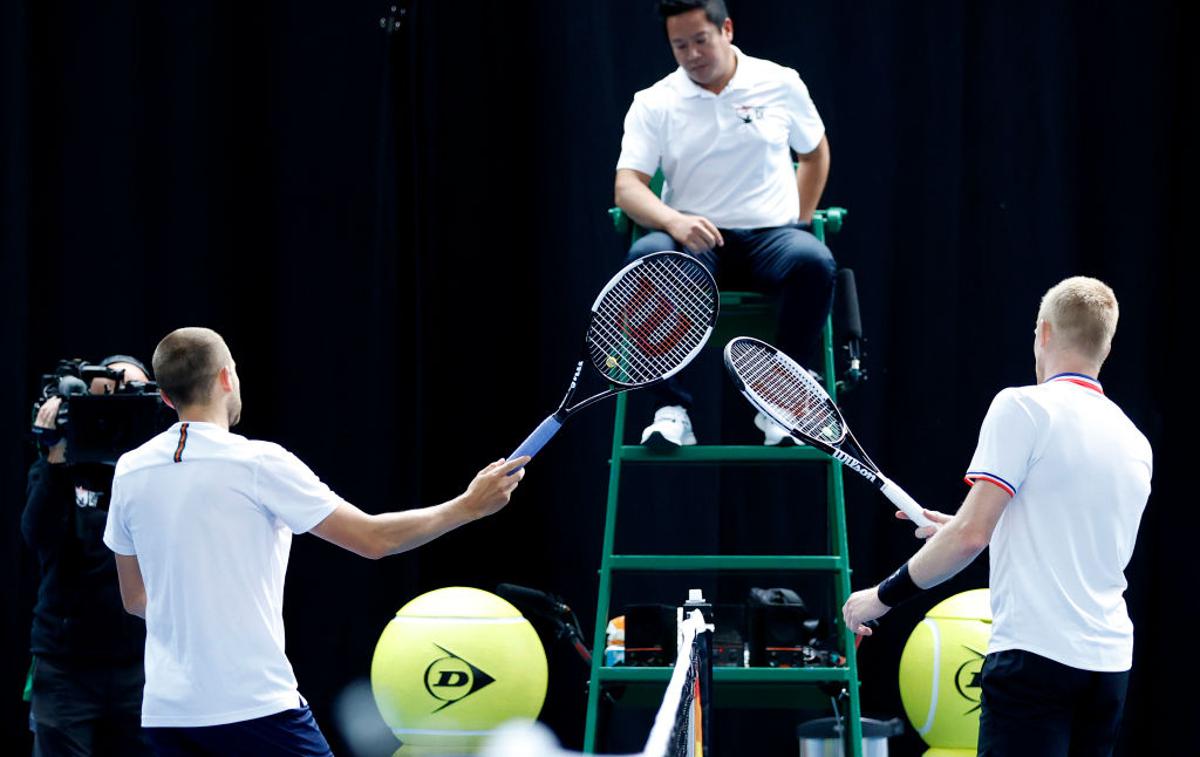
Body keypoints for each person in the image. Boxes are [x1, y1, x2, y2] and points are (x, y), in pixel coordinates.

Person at [102, 327, 529, 754]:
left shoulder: (129, 470)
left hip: (167, 716)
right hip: (255, 709)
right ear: (226, 378)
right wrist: (468, 506)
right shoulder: (258, 463)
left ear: (165, 396)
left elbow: (134, 597)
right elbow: (373, 539)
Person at [842, 277, 1152, 756]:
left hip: (1035, 662)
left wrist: (878, 599)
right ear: (1105, 346)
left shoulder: (1023, 406)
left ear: (1043, 333)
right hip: (1108, 669)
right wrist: (970, 528)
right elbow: (1063, 536)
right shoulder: (1135, 440)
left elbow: (970, 537)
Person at [614, 0, 836, 448]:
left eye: (701, 40)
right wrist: (674, 220)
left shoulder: (780, 82)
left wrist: (801, 218)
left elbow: (814, 153)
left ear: (727, 30)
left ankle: (780, 403)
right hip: (696, 243)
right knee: (647, 258)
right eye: (680, 45)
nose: (693, 53)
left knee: (815, 260)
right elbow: (628, 188)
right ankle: (670, 412)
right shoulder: (654, 102)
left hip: (770, 239)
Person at [24, 355, 154, 756]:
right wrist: (56, 458)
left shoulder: (157, 476)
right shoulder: (62, 469)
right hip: (66, 669)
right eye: (107, 400)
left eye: (130, 398)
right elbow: (37, 534)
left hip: (141, 665)